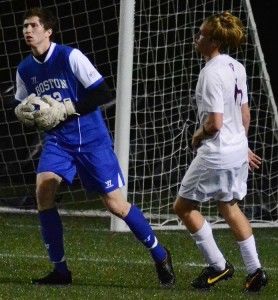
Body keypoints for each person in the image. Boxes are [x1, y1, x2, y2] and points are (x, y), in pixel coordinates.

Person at [14, 7, 175, 287]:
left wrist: (67, 107)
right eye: (25, 26)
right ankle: (60, 271)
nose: (28, 31)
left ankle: (160, 254)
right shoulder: (25, 69)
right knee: (43, 192)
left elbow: (102, 93)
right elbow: (21, 102)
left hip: (92, 141)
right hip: (58, 142)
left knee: (115, 205)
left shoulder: (70, 56)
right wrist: (22, 111)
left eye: (33, 26)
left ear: (48, 31)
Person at [173, 11, 267, 292]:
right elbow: (245, 114)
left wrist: (196, 136)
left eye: (201, 34)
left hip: (216, 153)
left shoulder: (210, 73)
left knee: (183, 207)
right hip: (236, 150)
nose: (196, 37)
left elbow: (214, 124)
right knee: (229, 205)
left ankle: (218, 265)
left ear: (213, 41)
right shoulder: (236, 67)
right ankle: (255, 272)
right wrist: (242, 145)